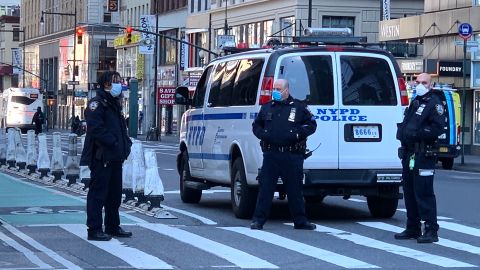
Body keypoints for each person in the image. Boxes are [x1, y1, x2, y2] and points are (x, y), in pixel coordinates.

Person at [250, 79, 317, 230]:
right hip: (271, 154)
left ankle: (300, 221)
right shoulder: (267, 107)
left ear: (287, 90)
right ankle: (258, 220)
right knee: (266, 189)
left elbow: (311, 125)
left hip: (292, 155)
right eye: (274, 88)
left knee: (295, 190)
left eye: (278, 89)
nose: (275, 91)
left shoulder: (299, 107)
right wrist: (264, 135)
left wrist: (297, 135)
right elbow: (256, 125)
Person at [80, 70, 132, 241]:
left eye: (119, 80)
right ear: (105, 84)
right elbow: (95, 128)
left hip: (115, 156)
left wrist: (126, 144)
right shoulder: (97, 103)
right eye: (114, 81)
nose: (118, 84)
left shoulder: (113, 103)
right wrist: (114, 142)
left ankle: (112, 226)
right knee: (98, 194)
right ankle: (94, 229)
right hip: (101, 156)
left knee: (114, 195)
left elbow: (119, 129)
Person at [395, 73, 446, 243]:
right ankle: (413, 227)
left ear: (431, 85)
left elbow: (438, 128)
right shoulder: (415, 101)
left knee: (424, 193)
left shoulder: (434, 103)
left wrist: (418, 134)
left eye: (424, 82)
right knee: (409, 191)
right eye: (417, 82)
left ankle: (431, 230)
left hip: (424, 154)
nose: (419, 85)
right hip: (410, 154)